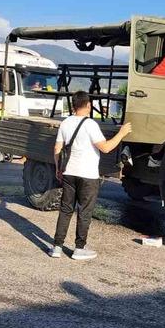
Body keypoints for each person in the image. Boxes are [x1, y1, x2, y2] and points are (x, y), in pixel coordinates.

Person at [49, 91, 132, 260]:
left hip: (69, 172)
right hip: (88, 175)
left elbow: (57, 149)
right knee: (84, 212)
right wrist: (122, 133)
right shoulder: (90, 124)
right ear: (88, 105)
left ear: (73, 105)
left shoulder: (65, 123)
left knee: (65, 210)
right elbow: (106, 147)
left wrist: (58, 169)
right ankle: (79, 248)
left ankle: (57, 247)